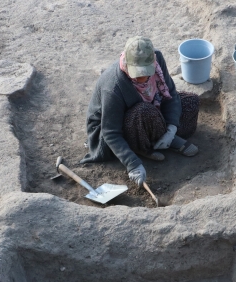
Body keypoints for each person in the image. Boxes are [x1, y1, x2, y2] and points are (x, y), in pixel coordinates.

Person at [81, 36, 200, 187]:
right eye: (137, 73)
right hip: (114, 128)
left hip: (151, 107)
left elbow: (170, 94)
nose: (143, 77)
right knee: (145, 111)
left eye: (146, 71)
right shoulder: (113, 86)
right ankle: (144, 146)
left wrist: (172, 128)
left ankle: (161, 138)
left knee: (191, 102)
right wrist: (132, 164)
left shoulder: (158, 60)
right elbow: (110, 132)